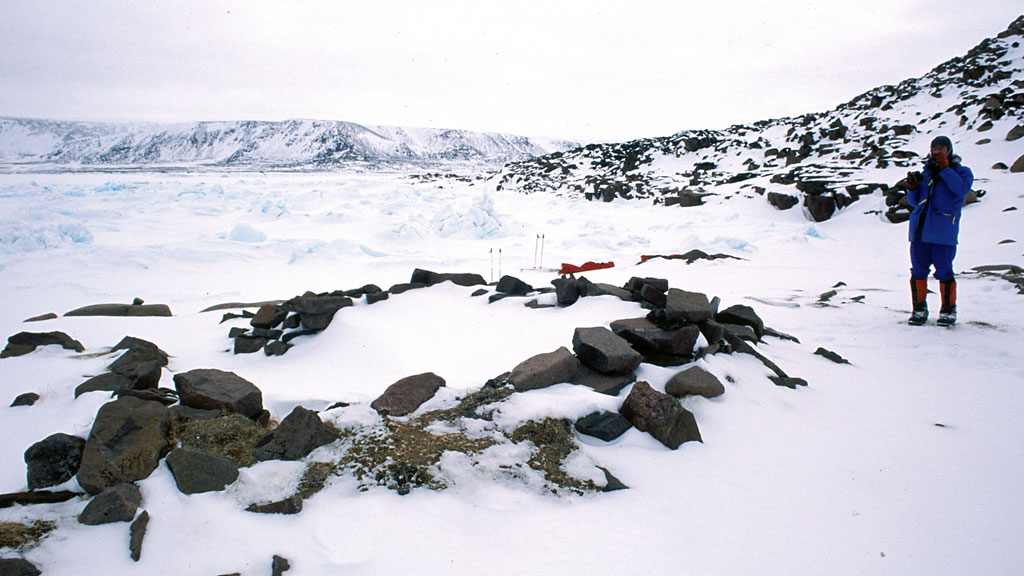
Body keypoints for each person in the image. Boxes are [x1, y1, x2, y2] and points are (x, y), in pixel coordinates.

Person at [905, 135, 974, 327]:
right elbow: (914, 201)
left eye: (941, 149)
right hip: (920, 230)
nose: (936, 152)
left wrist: (945, 169)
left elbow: (960, 190)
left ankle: (948, 311)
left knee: (944, 270)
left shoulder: (962, 172)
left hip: (943, 231)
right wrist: (912, 186)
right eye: (934, 149)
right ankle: (919, 309)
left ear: (949, 150)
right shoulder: (927, 173)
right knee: (918, 270)